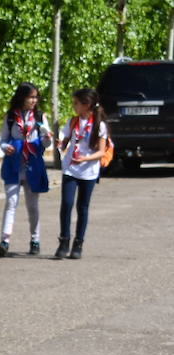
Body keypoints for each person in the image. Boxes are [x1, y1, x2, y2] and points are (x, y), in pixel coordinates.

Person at [0, 83, 52, 257]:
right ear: (22, 97)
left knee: (32, 205)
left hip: (33, 165)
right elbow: (3, 140)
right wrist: (6, 147)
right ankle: (4, 241)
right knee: (11, 203)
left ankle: (35, 239)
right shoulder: (11, 117)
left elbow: (46, 143)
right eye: (31, 97)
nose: (34, 101)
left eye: (36, 97)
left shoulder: (40, 117)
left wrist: (47, 138)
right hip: (14, 165)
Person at [55, 88, 108, 259]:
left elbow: (101, 152)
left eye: (76, 103)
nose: (73, 106)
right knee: (67, 204)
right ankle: (64, 241)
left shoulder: (99, 125)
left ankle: (78, 244)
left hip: (89, 171)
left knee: (82, 207)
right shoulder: (73, 121)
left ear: (87, 105)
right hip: (71, 169)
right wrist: (59, 143)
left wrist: (85, 159)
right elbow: (63, 141)